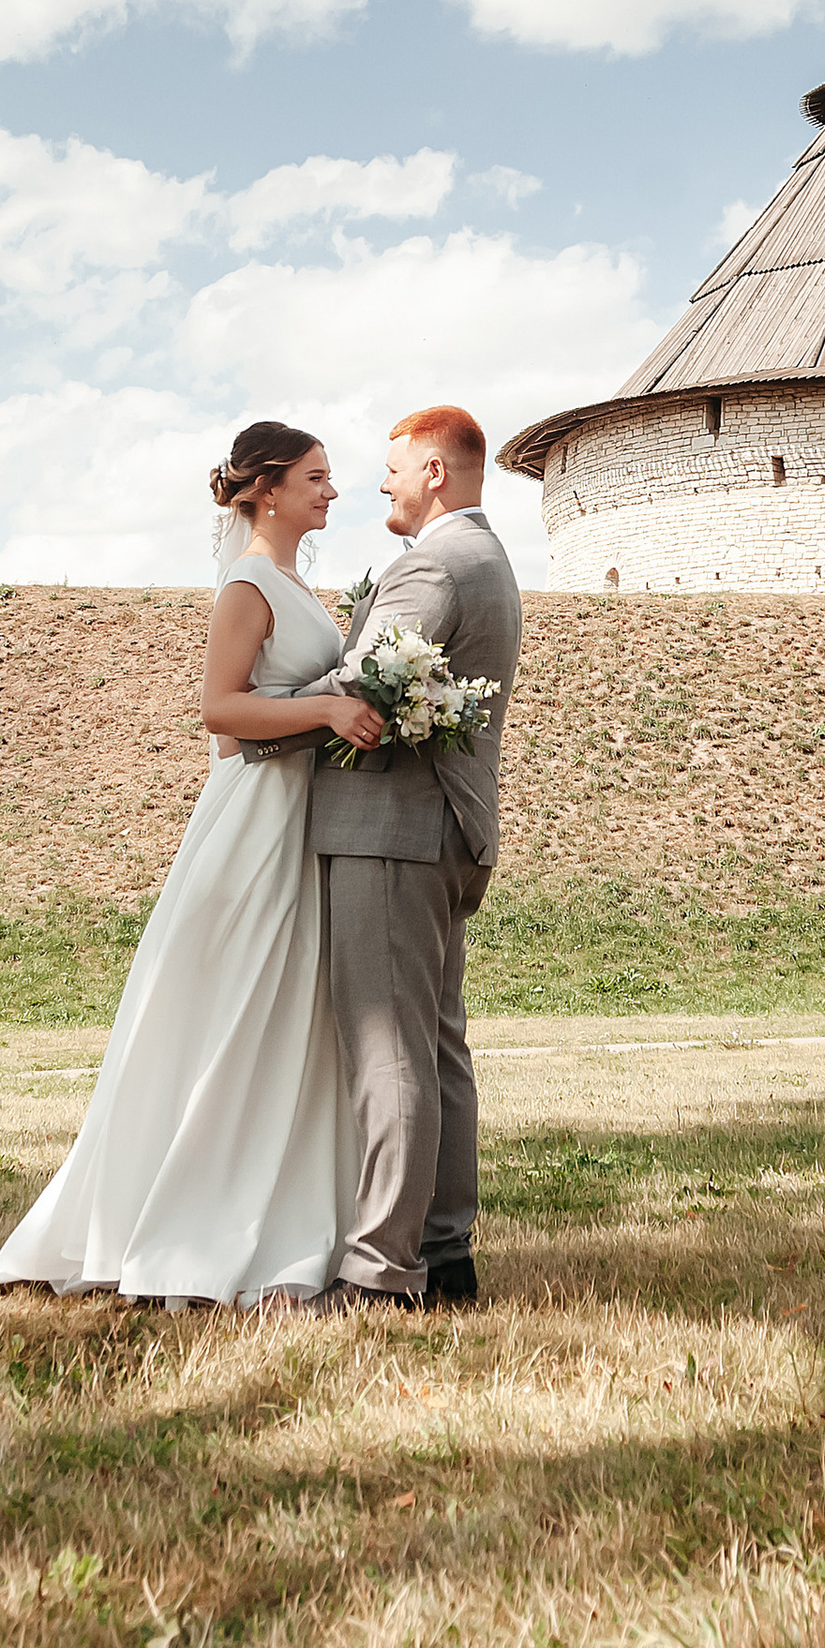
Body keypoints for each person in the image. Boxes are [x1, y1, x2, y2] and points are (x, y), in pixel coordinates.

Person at [0, 423, 385, 1307]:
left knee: (283, 1019)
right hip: (252, 824)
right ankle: (183, 1222)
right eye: (318, 478)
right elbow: (219, 708)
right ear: (269, 490)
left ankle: (276, 1212)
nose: (332, 492)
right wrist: (327, 708)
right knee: (231, 1010)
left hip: (298, 819)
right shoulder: (248, 583)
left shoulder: (294, 581)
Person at [247, 406, 522, 1315]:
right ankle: (444, 1256)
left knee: (386, 1050)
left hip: (392, 829)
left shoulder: (437, 563)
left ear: (436, 473)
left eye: (395, 468)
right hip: (442, 829)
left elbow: (366, 678)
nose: (381, 485)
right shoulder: (488, 558)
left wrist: (265, 711)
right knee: (436, 1046)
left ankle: (378, 1273)